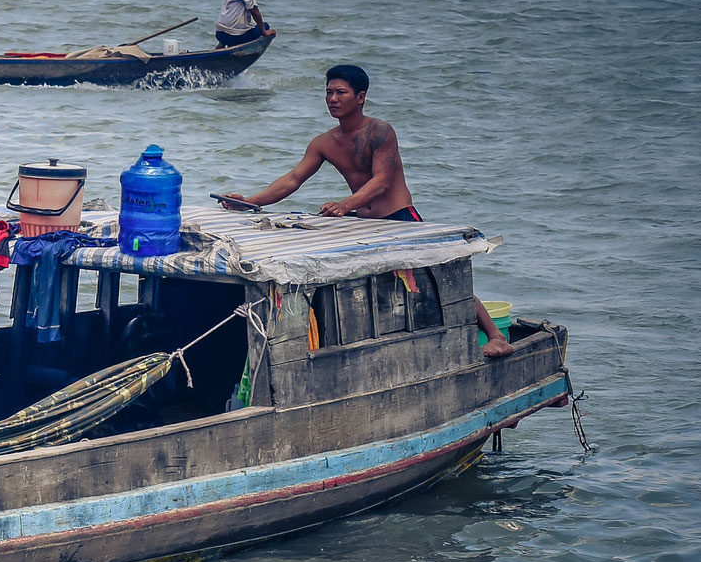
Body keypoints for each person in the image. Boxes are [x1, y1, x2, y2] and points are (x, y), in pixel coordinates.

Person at [217, 64, 514, 358]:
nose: (333, 98)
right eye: (329, 92)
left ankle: (497, 336)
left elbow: (382, 181)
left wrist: (345, 205)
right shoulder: (323, 142)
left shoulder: (380, 131)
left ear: (360, 97)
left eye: (341, 92)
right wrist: (250, 201)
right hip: (363, 222)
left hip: (400, 218)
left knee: (440, 272)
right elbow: (292, 180)